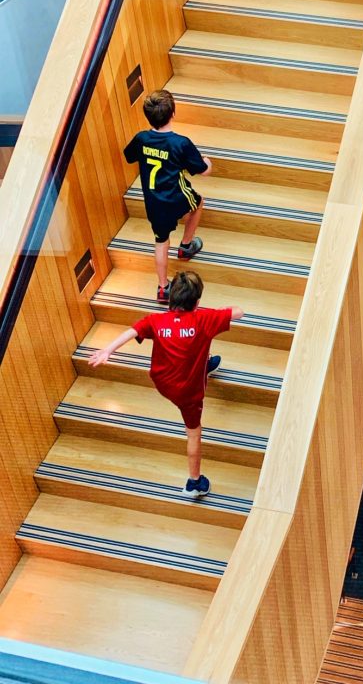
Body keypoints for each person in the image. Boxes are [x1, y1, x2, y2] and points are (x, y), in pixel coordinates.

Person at [89, 271, 243, 498]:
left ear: (171, 300)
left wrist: (107, 350)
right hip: (188, 392)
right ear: (197, 302)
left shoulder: (156, 321)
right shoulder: (204, 319)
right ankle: (194, 483)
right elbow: (239, 313)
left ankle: (206, 363)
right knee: (194, 433)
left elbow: (132, 331)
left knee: (199, 342)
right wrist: (212, 312)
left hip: (163, 381)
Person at [124, 89, 212, 302]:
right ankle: (186, 245)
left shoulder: (141, 138)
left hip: (154, 202)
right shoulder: (180, 143)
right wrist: (208, 161)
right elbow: (203, 170)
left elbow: (129, 157)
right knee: (198, 202)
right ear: (173, 113)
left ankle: (163, 288)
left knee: (160, 241)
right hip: (175, 195)